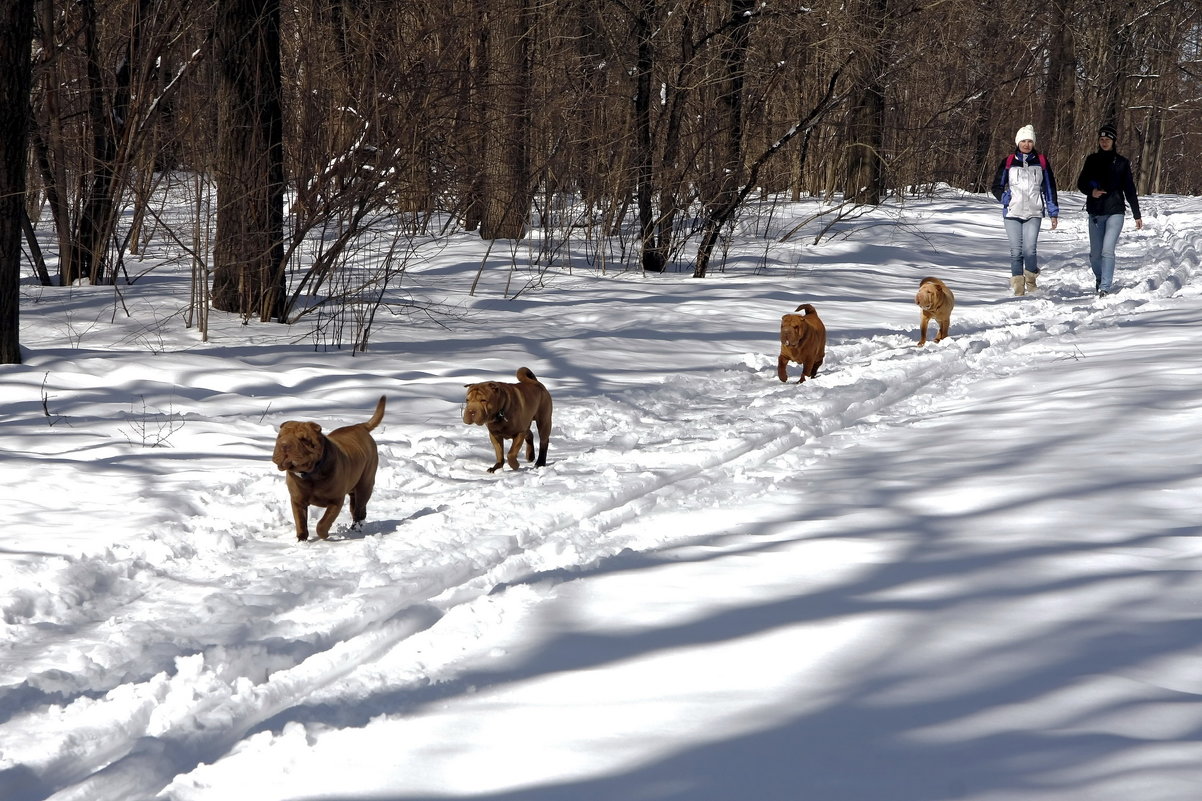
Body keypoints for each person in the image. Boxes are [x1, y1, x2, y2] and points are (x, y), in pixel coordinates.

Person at [991, 124, 1060, 296]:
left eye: (1030, 141)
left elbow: (1050, 188)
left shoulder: (1041, 161)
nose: (1026, 144)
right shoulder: (1008, 162)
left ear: (1034, 142)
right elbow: (996, 187)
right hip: (1012, 213)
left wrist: (1053, 212)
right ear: (1018, 142)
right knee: (1016, 251)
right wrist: (1005, 198)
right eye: (1023, 141)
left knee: (1029, 249)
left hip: (1034, 212)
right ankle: (1018, 284)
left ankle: (1030, 279)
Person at [1075, 123, 1143, 296]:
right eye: (1101, 139)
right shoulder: (1091, 160)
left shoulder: (1121, 163)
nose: (1104, 142)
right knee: (1095, 255)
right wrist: (1092, 192)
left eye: (1107, 139)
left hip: (1115, 211)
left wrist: (1137, 214)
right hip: (1095, 212)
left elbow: (1129, 189)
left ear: (1113, 141)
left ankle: (1105, 286)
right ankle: (1100, 277)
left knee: (1107, 250)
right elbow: (1081, 183)